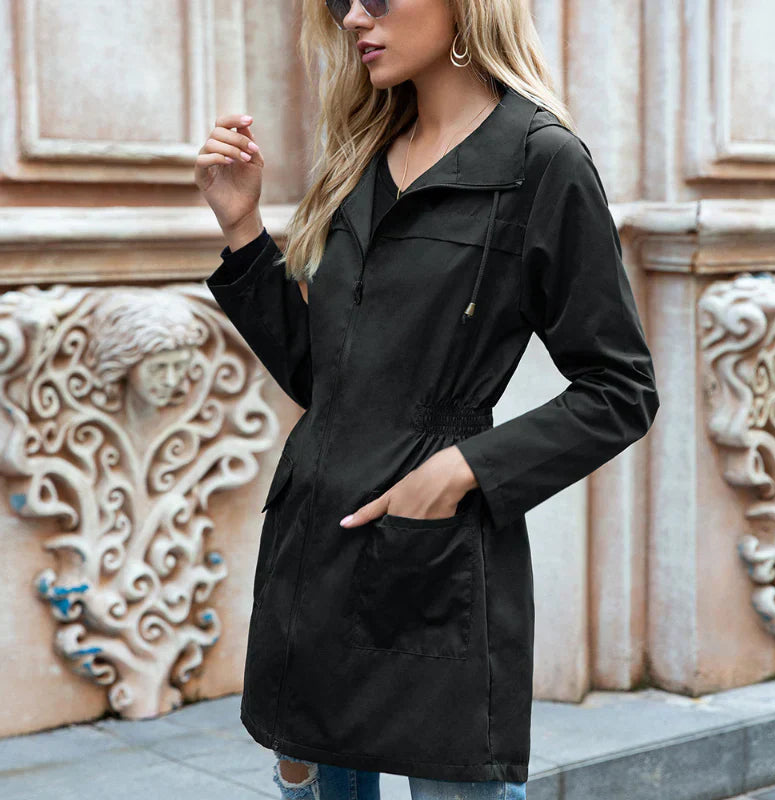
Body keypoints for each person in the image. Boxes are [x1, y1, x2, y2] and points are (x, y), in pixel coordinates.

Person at [194, 0, 660, 798]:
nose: (353, 18)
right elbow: (323, 377)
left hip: (434, 559)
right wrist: (242, 231)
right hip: (313, 554)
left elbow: (620, 388)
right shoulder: (361, 154)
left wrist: (459, 471)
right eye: (341, 1)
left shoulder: (540, 161)